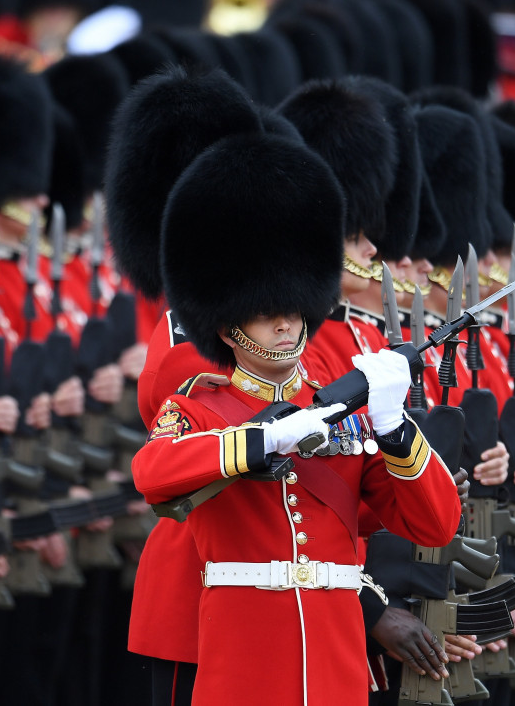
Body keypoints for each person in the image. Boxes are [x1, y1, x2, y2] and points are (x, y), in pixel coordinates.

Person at [131, 129, 462, 706]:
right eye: (267, 314)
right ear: (230, 323)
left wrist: (395, 428)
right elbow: (154, 473)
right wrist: (264, 438)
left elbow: (434, 525)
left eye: (294, 311)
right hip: (244, 653)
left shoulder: (339, 411)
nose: (286, 325)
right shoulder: (200, 405)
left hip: (332, 655)